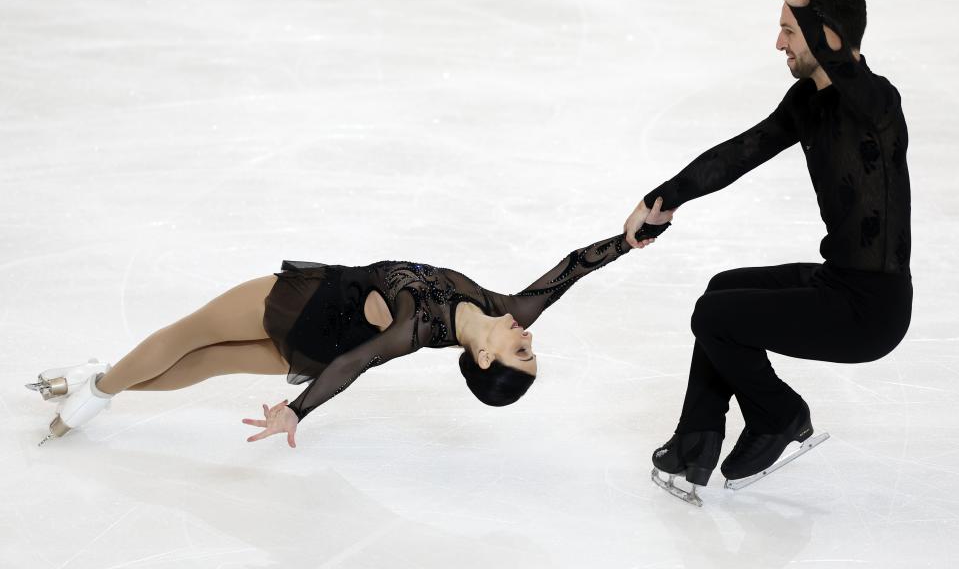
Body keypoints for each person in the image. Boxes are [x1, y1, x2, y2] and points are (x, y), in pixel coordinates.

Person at [623, 0, 912, 506]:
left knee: (715, 318)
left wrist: (801, 3)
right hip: (839, 282)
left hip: (872, 311)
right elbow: (742, 152)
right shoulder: (808, 101)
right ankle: (696, 442)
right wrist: (662, 200)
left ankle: (779, 415)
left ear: (822, 32)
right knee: (723, 290)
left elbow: (852, 77)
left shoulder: (878, 103)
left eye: (788, 30)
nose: (780, 44)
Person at [31, 218, 671, 447]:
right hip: (315, 348)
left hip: (301, 306)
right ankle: (100, 389)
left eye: (520, 354)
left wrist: (299, 412)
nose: (528, 341)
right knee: (211, 363)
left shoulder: (418, 325)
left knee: (188, 337)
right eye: (531, 351)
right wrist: (627, 239)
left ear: (481, 355)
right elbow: (571, 270)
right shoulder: (512, 308)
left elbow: (362, 361)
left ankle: (96, 387)